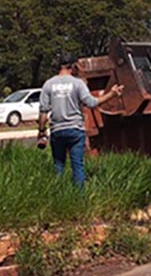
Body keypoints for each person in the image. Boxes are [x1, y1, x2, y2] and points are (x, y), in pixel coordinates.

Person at [38, 52, 124, 187]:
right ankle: (79, 197)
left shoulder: (48, 84)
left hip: (57, 130)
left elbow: (43, 113)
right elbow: (92, 102)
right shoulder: (77, 83)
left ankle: (58, 196)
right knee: (77, 165)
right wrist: (112, 94)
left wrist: (41, 131)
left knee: (58, 165)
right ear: (73, 66)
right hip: (75, 130)